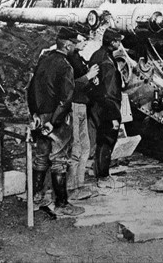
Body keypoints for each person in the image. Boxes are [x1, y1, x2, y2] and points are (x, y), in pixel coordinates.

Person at [26, 27, 85, 217]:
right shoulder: (65, 66)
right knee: (59, 159)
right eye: (74, 45)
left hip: (40, 117)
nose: (76, 48)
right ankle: (61, 203)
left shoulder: (43, 60)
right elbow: (66, 99)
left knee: (41, 157)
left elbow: (30, 89)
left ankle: (36, 198)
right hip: (55, 119)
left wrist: (35, 113)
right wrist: (55, 120)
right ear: (68, 45)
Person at [89, 27, 126, 190]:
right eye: (118, 41)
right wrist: (114, 115)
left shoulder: (97, 55)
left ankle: (100, 173)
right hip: (107, 108)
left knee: (100, 141)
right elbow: (109, 92)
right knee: (107, 140)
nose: (120, 43)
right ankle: (103, 177)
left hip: (96, 106)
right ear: (112, 42)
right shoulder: (108, 63)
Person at [66, 27, 99, 200]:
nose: (86, 42)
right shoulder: (69, 59)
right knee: (76, 147)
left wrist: (92, 78)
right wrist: (88, 76)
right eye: (84, 39)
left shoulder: (77, 57)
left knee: (84, 146)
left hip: (82, 104)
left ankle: (79, 184)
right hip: (74, 105)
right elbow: (69, 85)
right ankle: (72, 188)